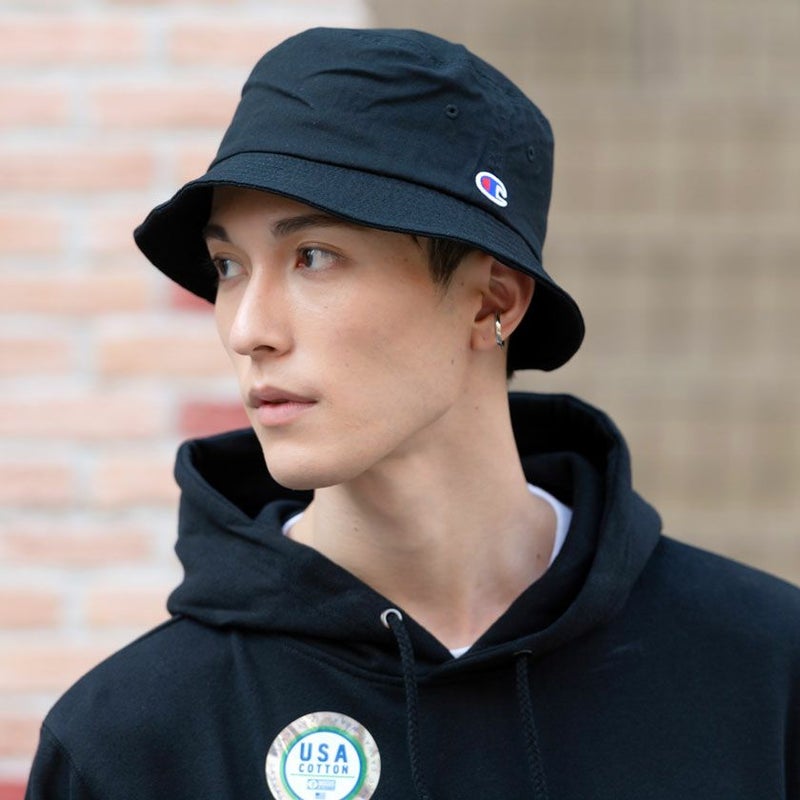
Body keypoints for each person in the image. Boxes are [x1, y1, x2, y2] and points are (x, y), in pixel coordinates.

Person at [26, 27, 799, 800]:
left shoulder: (764, 670)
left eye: (313, 256)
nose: (247, 329)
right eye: (229, 266)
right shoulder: (130, 743)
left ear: (490, 303)